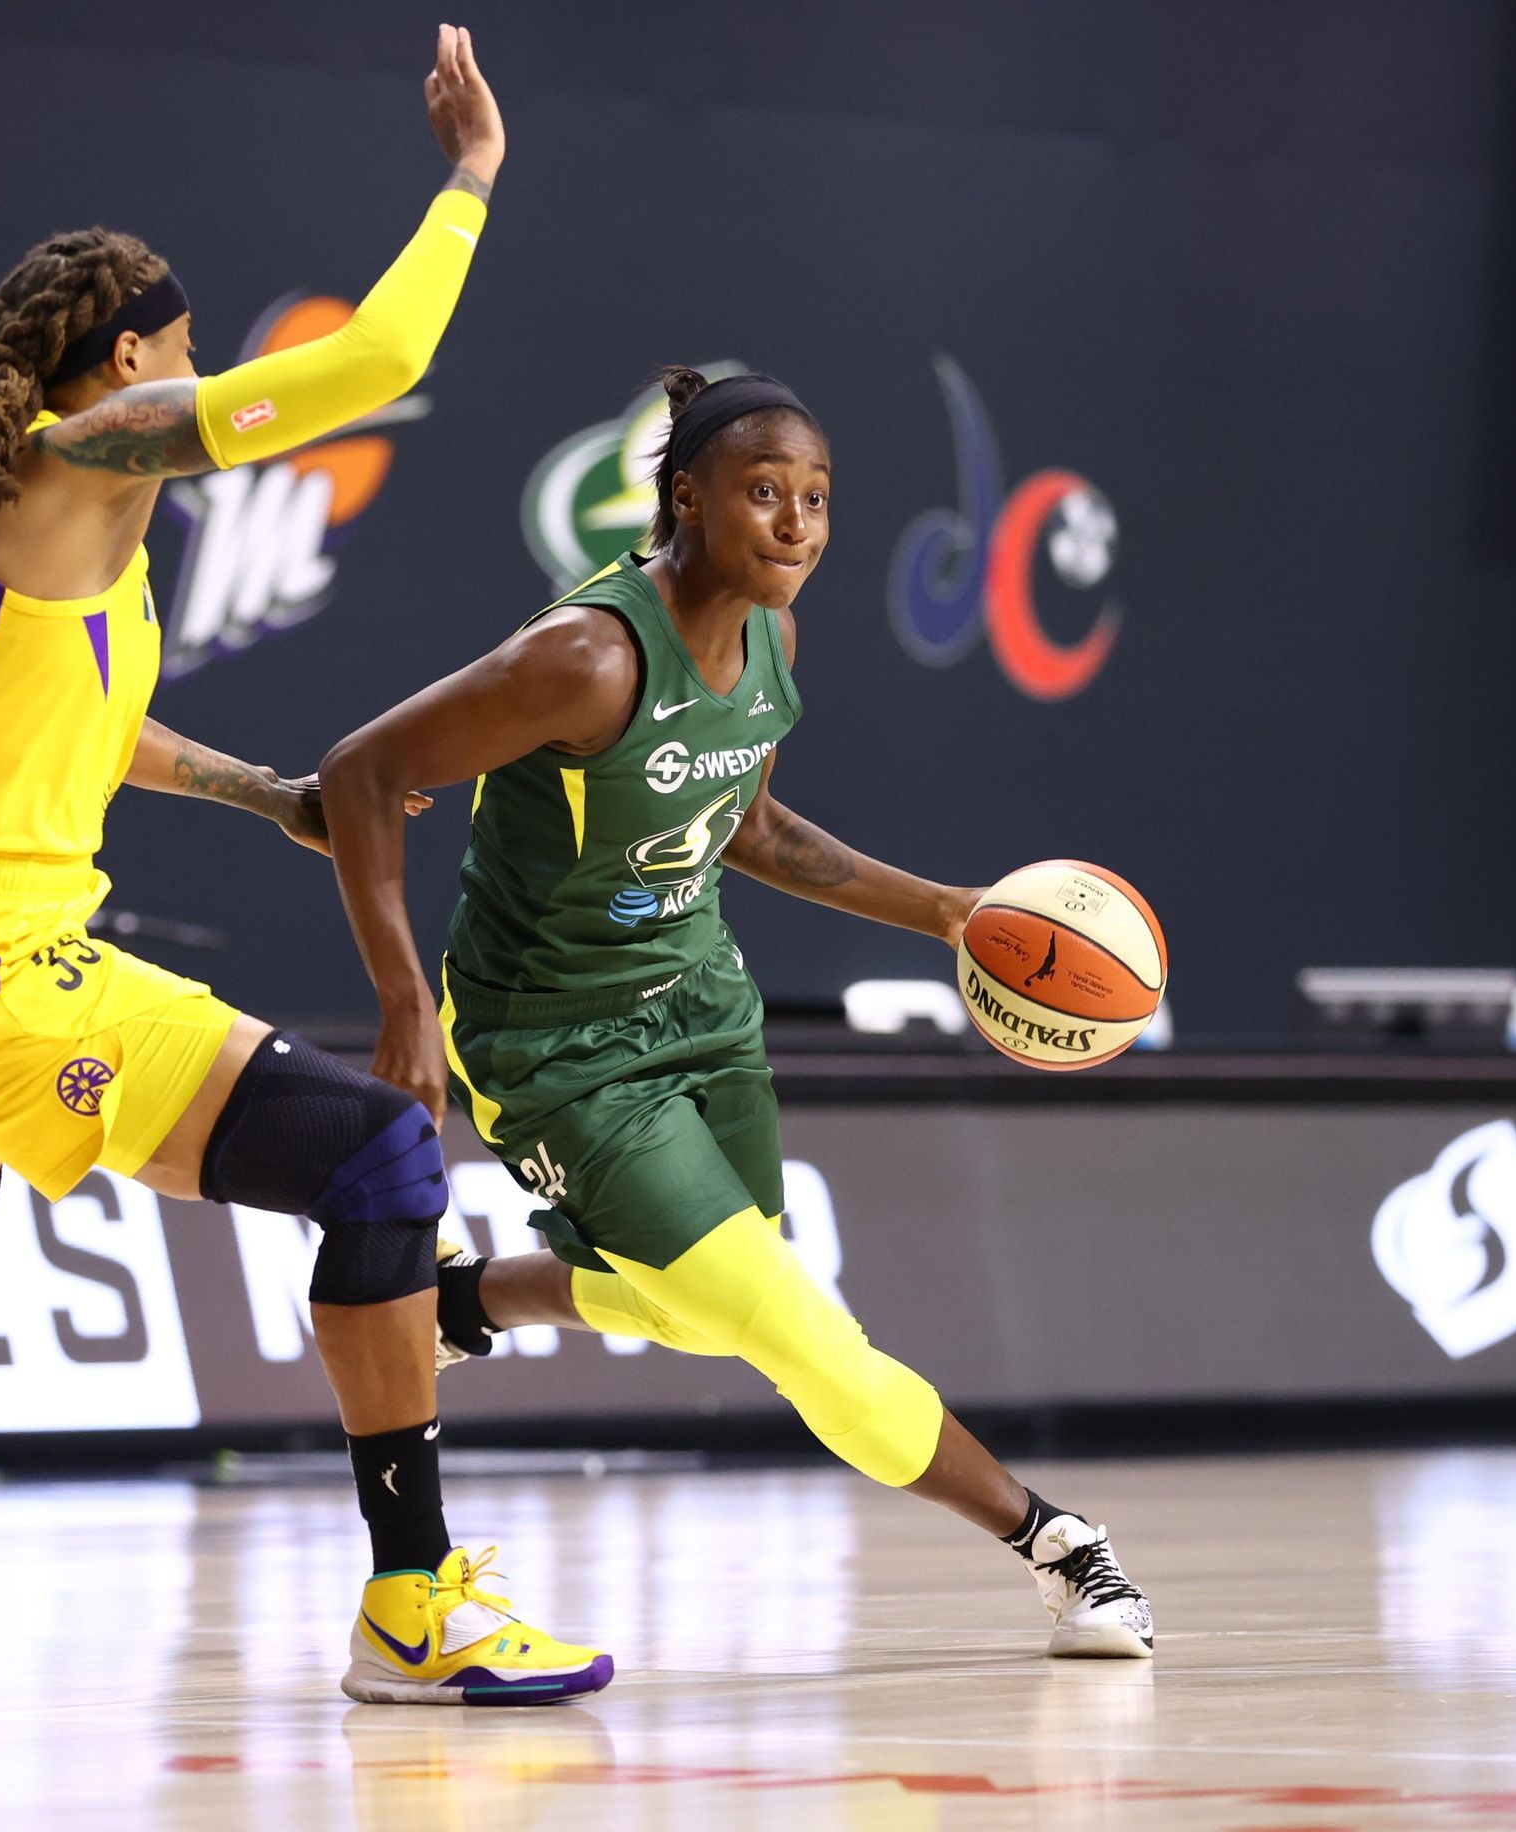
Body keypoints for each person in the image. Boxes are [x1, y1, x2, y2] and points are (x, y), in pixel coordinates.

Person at [0, 25, 613, 1708]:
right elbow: (369, 363)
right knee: (378, 1159)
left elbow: (90, 727)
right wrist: (469, 180)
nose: (194, 371)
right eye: (181, 350)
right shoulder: (91, 461)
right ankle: (413, 1606)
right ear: (134, 358)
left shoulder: (7, 507)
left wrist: (268, 795)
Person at [318, 366, 1154, 1660]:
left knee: (701, 1304)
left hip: (703, 1008)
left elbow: (749, 828)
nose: (796, 524)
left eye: (817, 499)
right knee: (802, 1334)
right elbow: (362, 773)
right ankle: (1055, 1541)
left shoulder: (774, 637)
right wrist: (401, 1010)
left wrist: (944, 910)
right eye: (765, 494)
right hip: (555, 1046)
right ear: (686, 497)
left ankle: (470, 1305)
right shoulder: (587, 658)